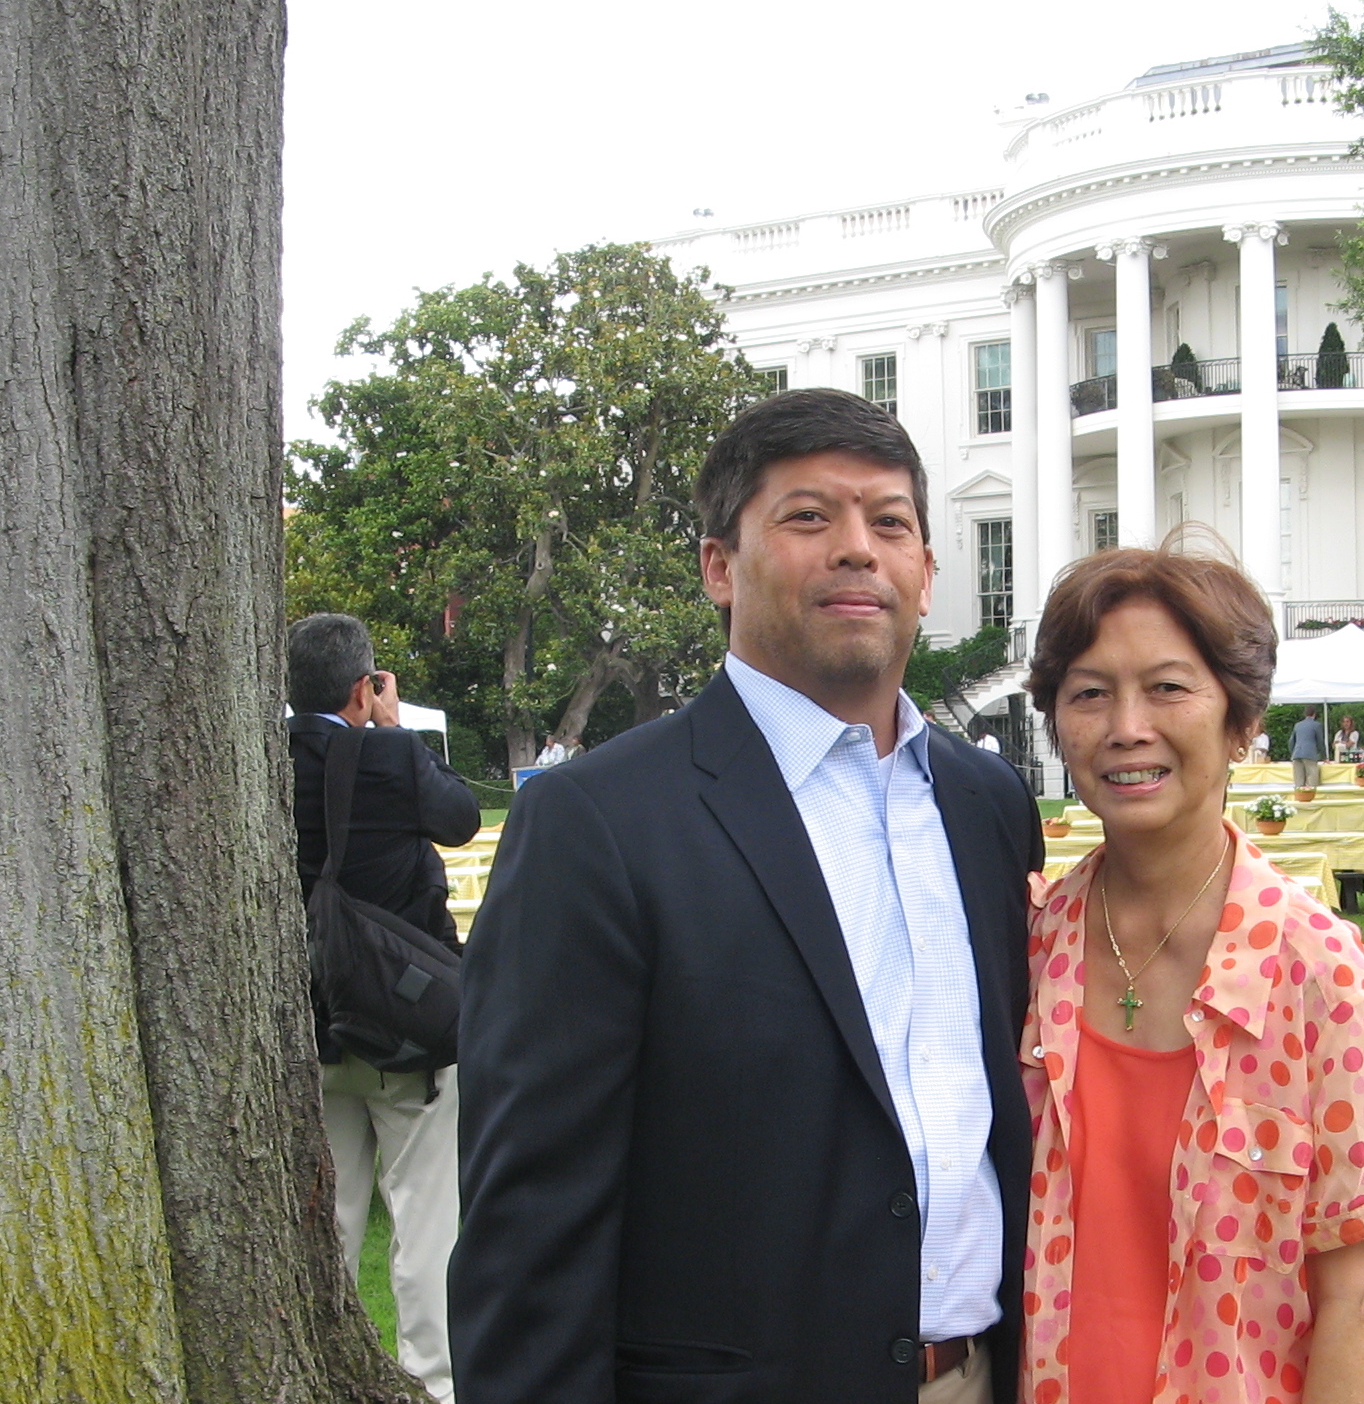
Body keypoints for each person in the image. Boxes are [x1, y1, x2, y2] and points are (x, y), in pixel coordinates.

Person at [452, 390, 1042, 1404]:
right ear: (719, 566)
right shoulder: (598, 823)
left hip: (981, 1376)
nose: (858, 548)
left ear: (927, 573)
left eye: (889, 522)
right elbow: (529, 1230)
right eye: (808, 516)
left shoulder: (988, 807)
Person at [1019, 544, 1364, 1404]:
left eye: (1168, 688)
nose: (1128, 726)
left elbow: (1352, 1294)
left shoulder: (1319, 972)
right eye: (1090, 693)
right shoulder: (1029, 941)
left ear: (1242, 721)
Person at [286, 614, 481, 1403]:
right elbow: (461, 818)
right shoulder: (393, 754)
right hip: (409, 1019)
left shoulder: (264, 761)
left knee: (329, 1218)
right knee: (426, 1221)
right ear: (364, 685)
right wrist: (392, 729)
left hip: (313, 1018)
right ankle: (431, 1385)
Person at [1289, 705, 1326, 790]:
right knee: (1312, 783)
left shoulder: (1297, 725)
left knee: (1298, 783)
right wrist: (1324, 757)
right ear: (1314, 714)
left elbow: (1291, 742)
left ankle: (1300, 800)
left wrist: (1292, 753)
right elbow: (1320, 742)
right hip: (1310, 754)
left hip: (1296, 754)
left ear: (1304, 714)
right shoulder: (1317, 725)